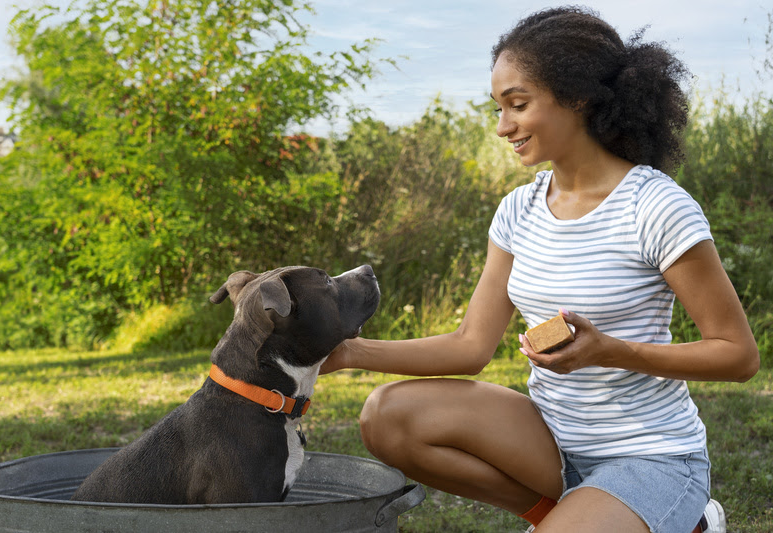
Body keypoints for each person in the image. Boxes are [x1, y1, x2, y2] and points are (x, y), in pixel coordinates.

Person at [319, 6, 759, 533]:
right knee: (388, 416)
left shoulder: (655, 206)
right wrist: (346, 353)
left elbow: (739, 356)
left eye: (518, 105)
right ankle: (557, 513)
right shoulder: (517, 210)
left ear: (577, 97)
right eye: (498, 108)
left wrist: (611, 351)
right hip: (550, 441)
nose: (503, 127)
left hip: (651, 456)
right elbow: (469, 346)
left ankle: (687, 519)